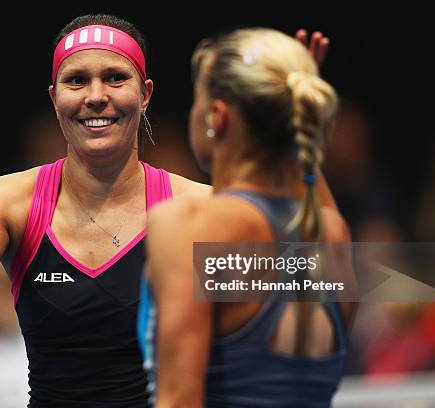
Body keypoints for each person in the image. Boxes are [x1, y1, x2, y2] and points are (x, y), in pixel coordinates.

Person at [0, 14, 210, 407]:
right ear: (54, 98)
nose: (96, 95)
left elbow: (306, 287)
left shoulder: (198, 209)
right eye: (77, 80)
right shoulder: (12, 203)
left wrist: (295, 157)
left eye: (116, 77)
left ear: (145, 93)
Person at [139, 27, 357, 407]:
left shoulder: (188, 224)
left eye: (197, 98)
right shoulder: (332, 232)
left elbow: (179, 401)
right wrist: (291, 114)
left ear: (216, 117)